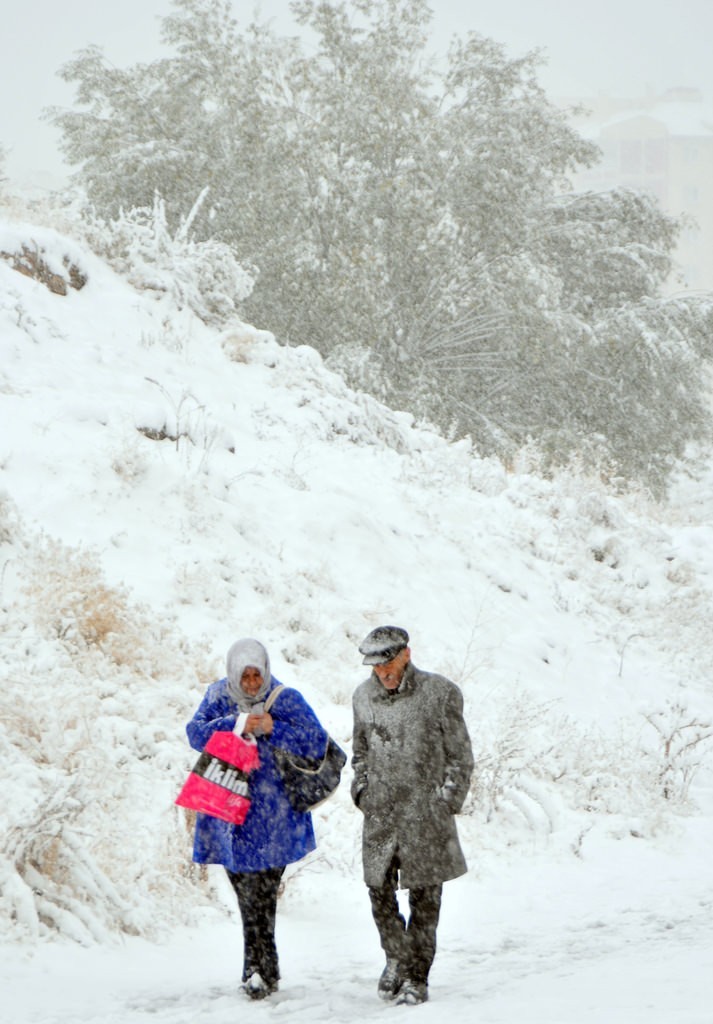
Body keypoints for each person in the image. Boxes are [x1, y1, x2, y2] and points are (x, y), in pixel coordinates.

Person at [185, 637, 329, 1000]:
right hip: (228, 813)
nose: (251, 683)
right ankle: (265, 965)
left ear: (265, 671)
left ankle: (257, 970)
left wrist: (272, 728)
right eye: (245, 676)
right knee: (247, 895)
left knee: (261, 895)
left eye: (256, 675)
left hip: (273, 816)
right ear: (234, 673)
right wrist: (237, 723)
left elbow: (316, 741)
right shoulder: (219, 696)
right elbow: (194, 733)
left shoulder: (285, 699)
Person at [351, 625, 474, 1006]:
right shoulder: (363, 697)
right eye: (375, 667)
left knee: (425, 901)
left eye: (388, 663)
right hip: (381, 815)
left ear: (406, 654)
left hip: (426, 815)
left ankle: (416, 977)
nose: (383, 673)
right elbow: (360, 753)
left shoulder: (440, 693)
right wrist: (363, 791)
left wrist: (445, 801)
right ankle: (396, 957)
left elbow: (460, 755)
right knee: (379, 895)